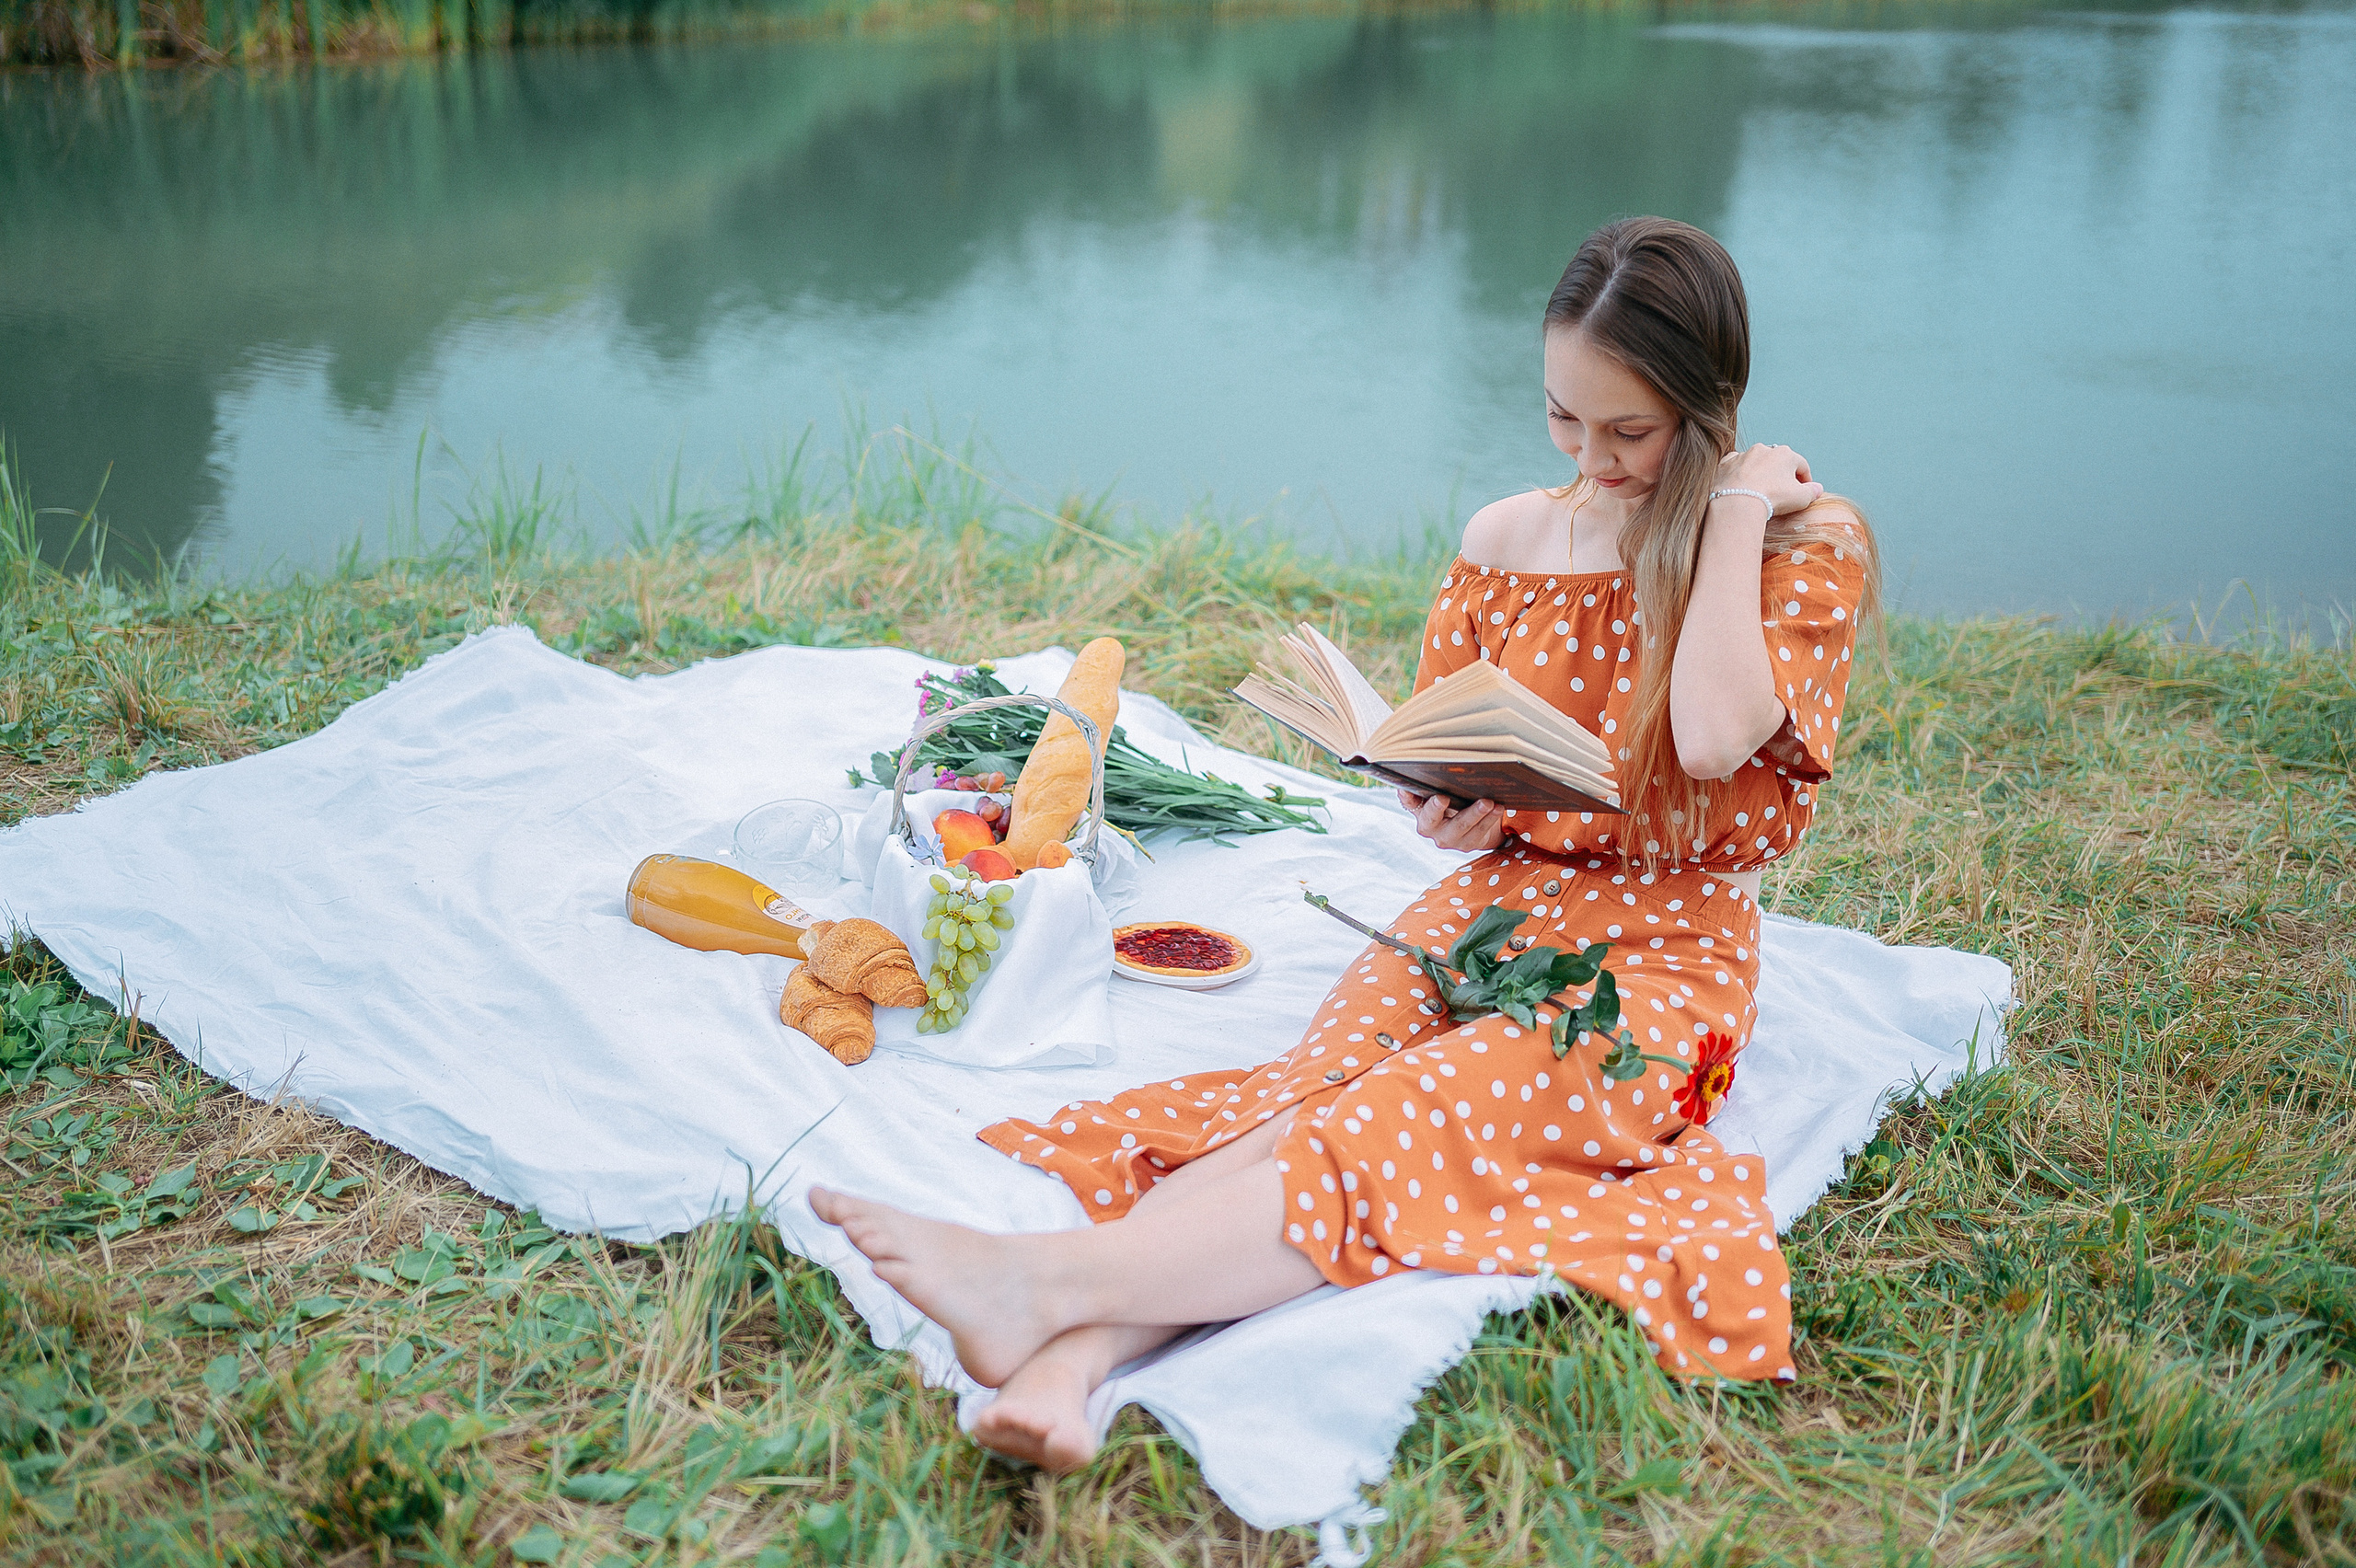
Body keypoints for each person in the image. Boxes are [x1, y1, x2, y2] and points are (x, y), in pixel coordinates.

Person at [811, 215, 1879, 1471]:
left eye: (1631, 432)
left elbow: (1708, 740)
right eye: (1562, 420)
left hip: (1666, 957)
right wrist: (1444, 806)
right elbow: (1448, 763)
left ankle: (1044, 1286)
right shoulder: (1505, 543)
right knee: (1312, 1102)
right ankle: (1070, 1364)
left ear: (1713, 409)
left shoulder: (1802, 548)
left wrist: (1736, 507)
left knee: (1410, 1121)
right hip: (1494, 906)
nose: (1592, 464)